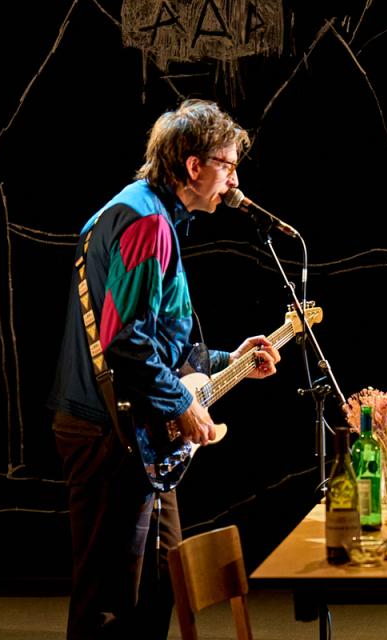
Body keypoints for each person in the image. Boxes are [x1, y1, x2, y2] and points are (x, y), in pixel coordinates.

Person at [47, 99, 281, 640]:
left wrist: (227, 361)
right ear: (193, 166)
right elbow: (125, 342)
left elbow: (151, 338)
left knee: (158, 579)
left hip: (136, 429)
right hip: (111, 431)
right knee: (109, 599)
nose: (234, 180)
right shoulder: (147, 222)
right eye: (227, 165)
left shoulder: (150, 214)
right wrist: (180, 403)